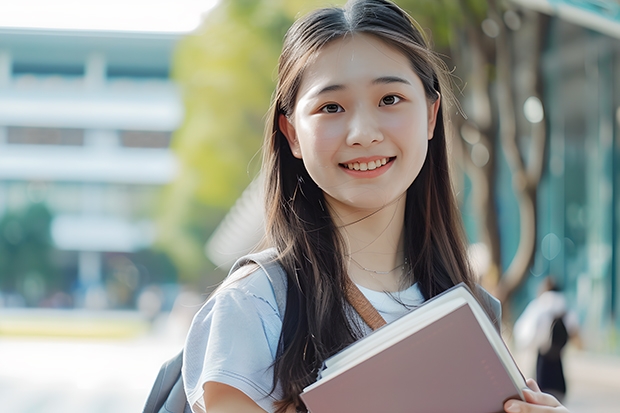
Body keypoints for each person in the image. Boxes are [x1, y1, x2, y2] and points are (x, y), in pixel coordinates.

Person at [183, 1, 571, 412]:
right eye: (331, 107)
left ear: (431, 115)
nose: (364, 133)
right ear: (292, 133)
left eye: (390, 98)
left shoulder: (474, 313)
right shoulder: (256, 308)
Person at [514, 276, 582, 403]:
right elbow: (579, 341)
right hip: (558, 368)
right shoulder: (566, 309)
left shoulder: (537, 307)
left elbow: (523, 336)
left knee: (539, 399)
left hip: (541, 366)